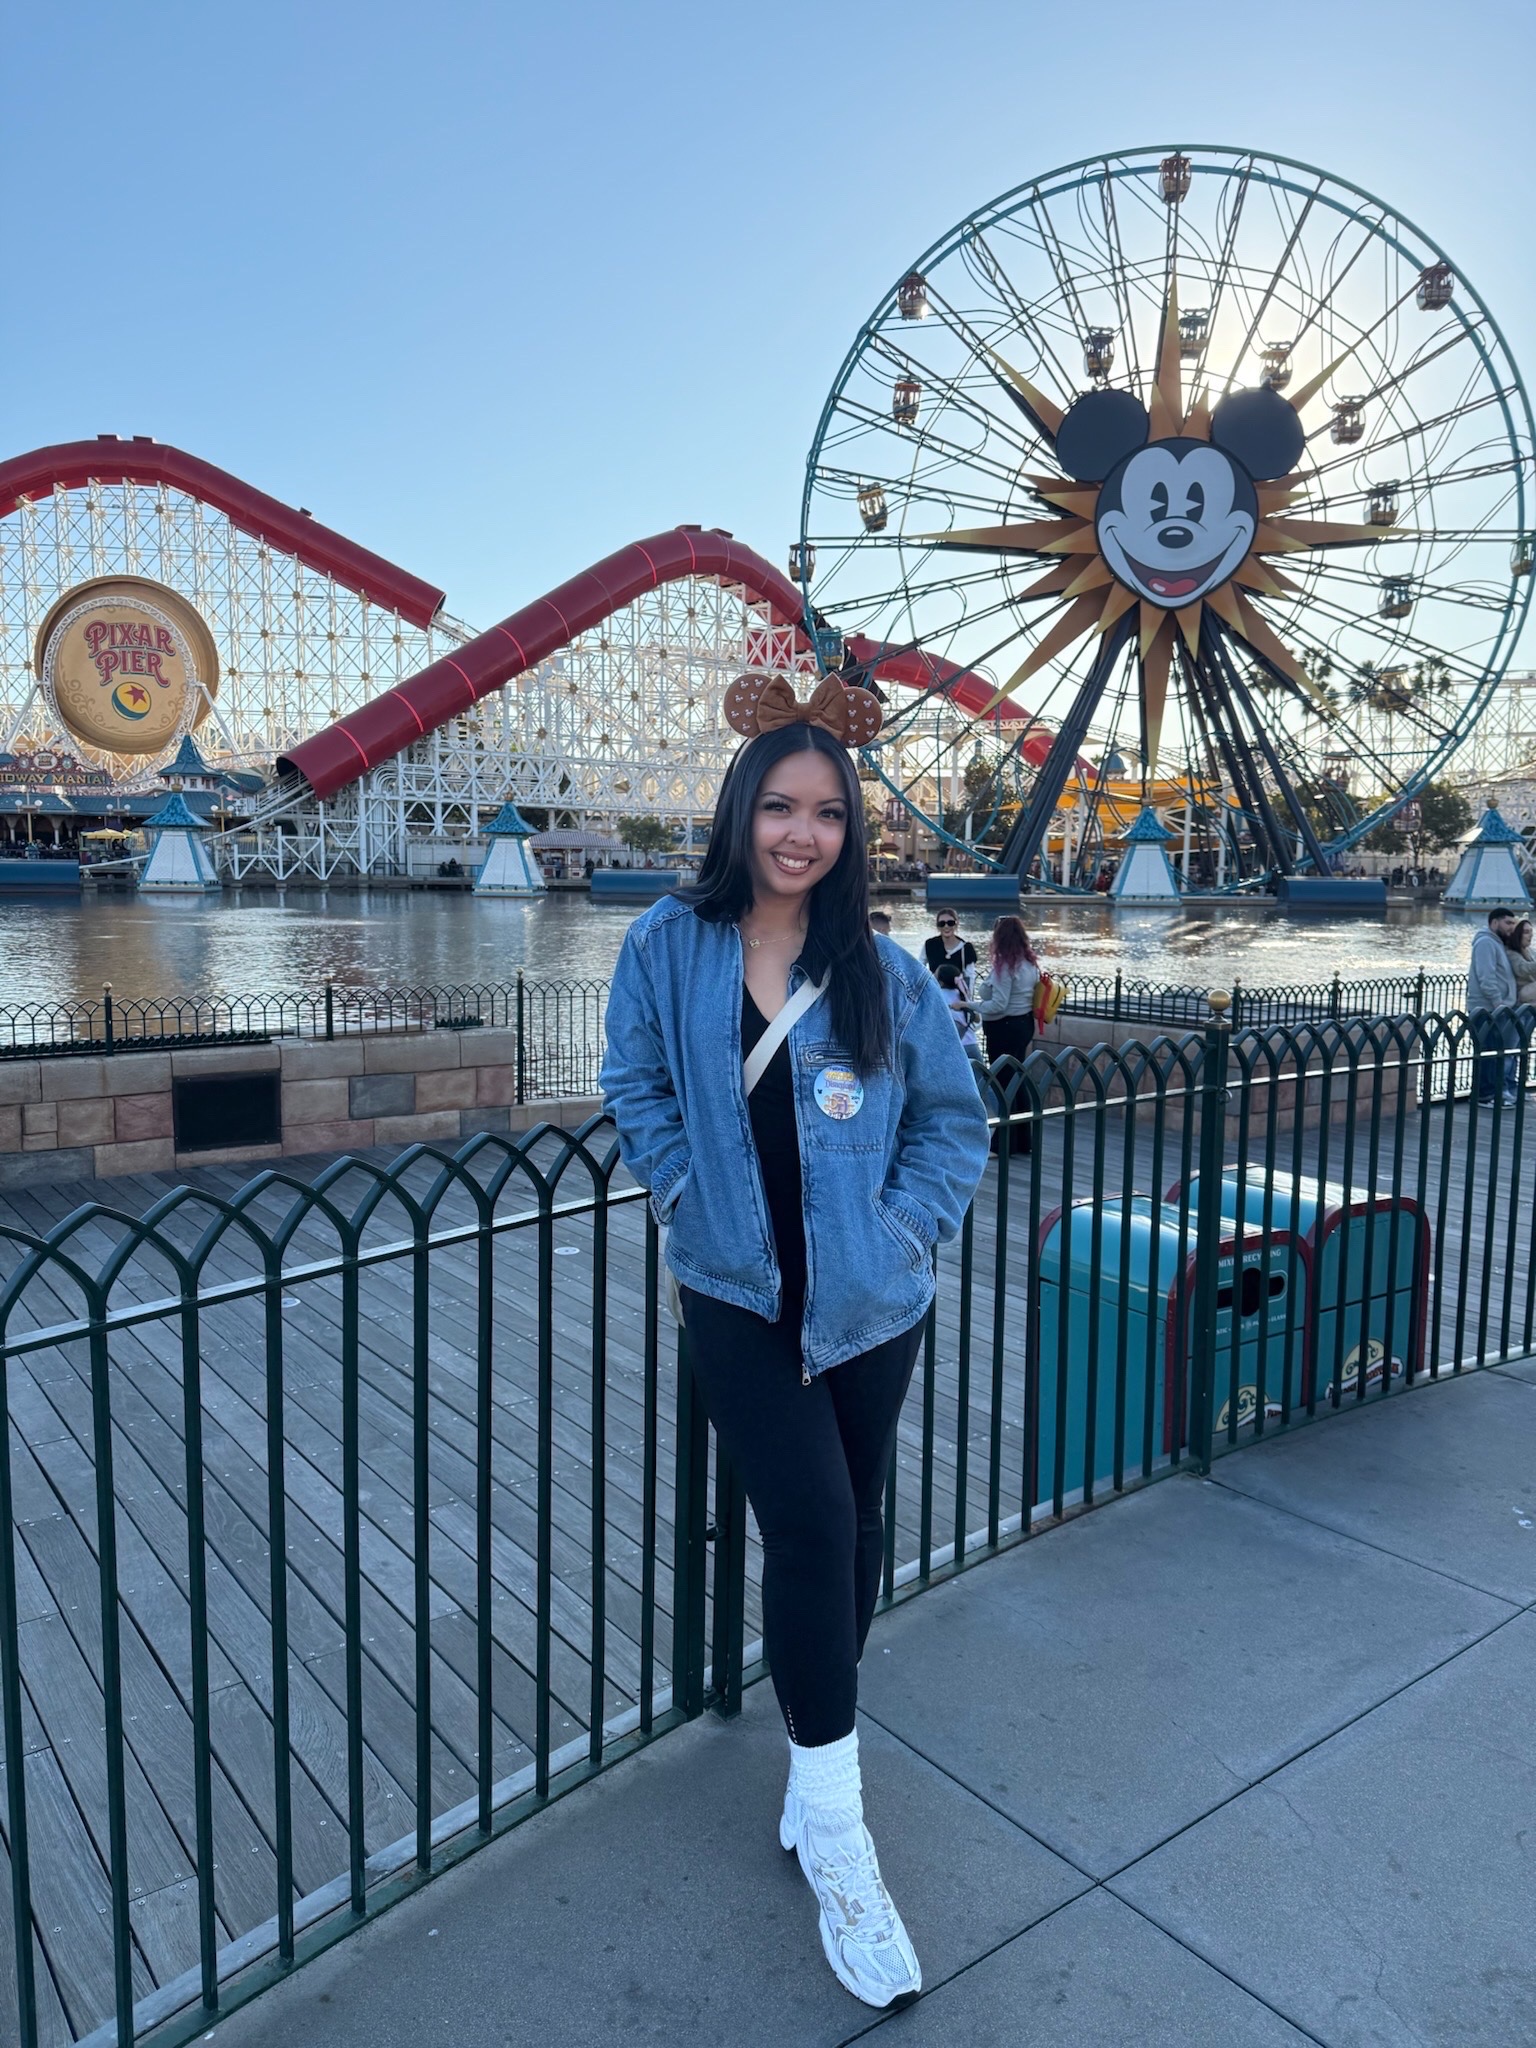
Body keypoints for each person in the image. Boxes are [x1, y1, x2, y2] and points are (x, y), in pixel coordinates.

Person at [601, 672, 989, 2013]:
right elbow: (634, 1080)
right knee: (816, 1530)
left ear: (850, 831)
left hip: (871, 1305)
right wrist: (683, 1186)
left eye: (827, 811)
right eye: (779, 803)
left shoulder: (878, 972)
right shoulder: (667, 944)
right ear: (739, 810)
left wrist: (901, 1233)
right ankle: (836, 1829)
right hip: (736, 1293)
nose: (801, 831)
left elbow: (954, 1119)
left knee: (856, 1528)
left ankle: (811, 1759)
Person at [971, 916, 1041, 1154]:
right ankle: (1023, 1139)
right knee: (1017, 1080)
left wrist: (970, 1005)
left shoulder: (1005, 966)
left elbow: (998, 1005)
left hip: (1004, 1028)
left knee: (1004, 1083)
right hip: (1023, 1024)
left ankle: (1004, 1142)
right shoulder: (1030, 964)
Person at [1467, 906, 1522, 1107]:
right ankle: (1485, 1095)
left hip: (1496, 1008)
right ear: (1494, 922)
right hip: (1486, 1009)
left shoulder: (1497, 943)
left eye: (1513, 924)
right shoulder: (1485, 943)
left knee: (1495, 1052)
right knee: (1487, 1053)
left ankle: (1494, 1093)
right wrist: (1499, 1002)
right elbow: (1486, 977)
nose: (1511, 928)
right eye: (1508, 923)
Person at [923, 910, 976, 977]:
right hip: (935, 986)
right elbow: (919, 968)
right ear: (938, 926)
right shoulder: (929, 945)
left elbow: (970, 976)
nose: (946, 926)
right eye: (942, 923)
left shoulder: (966, 948)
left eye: (950, 923)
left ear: (956, 924)